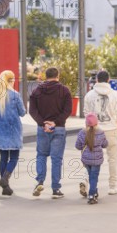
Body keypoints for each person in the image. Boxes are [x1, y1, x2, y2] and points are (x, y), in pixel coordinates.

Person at [29, 67, 73, 198]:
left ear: (45, 76)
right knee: (56, 159)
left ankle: (40, 182)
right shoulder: (64, 91)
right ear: (57, 76)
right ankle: (55, 189)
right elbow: (68, 110)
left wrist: (43, 123)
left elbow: (32, 110)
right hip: (58, 128)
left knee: (41, 155)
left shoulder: (37, 91)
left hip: (42, 128)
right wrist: (55, 122)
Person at [0, 70, 26, 196]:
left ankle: (5, 187)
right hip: (13, 130)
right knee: (14, 158)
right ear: (11, 81)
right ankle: (4, 180)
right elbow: (22, 112)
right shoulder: (15, 95)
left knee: (3, 158)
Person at [84, 70, 117, 195]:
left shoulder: (89, 95)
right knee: (112, 159)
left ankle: (85, 181)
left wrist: (88, 132)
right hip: (111, 129)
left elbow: (87, 116)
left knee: (90, 158)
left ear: (96, 80)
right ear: (108, 80)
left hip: (94, 130)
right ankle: (112, 186)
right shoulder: (115, 95)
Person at [75, 113, 108, 204]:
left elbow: (77, 146)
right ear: (96, 123)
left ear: (86, 123)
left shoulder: (82, 133)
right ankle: (91, 194)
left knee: (91, 177)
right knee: (94, 177)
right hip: (97, 160)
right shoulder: (100, 132)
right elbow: (105, 144)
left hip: (86, 160)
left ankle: (95, 191)